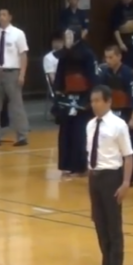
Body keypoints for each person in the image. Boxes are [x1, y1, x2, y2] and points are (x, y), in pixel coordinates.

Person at [86, 85, 133, 265]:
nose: (94, 104)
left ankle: (115, 264)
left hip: (111, 176)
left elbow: (128, 156)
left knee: (113, 222)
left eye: (98, 100)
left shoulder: (118, 125)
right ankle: (105, 262)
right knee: (99, 221)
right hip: (95, 176)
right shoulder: (90, 125)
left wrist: (126, 182)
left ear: (108, 102)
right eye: (92, 101)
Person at [0, 8, 30, 146]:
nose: (1, 17)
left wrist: (22, 74)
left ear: (10, 17)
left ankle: (22, 136)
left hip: (12, 72)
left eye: (4, 15)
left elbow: (23, 55)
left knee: (16, 105)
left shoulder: (18, 34)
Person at [53, 28, 97, 177]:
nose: (67, 39)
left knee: (80, 133)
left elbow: (93, 79)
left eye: (70, 36)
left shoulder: (87, 54)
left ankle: (80, 166)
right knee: (65, 132)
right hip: (67, 98)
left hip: (83, 99)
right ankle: (66, 165)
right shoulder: (64, 55)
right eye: (66, 37)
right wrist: (58, 97)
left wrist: (89, 100)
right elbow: (59, 78)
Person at [99, 45, 133, 185]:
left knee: (131, 144)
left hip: (127, 112)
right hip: (112, 112)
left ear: (119, 57)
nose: (108, 60)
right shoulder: (105, 73)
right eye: (106, 57)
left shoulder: (128, 73)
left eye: (111, 57)